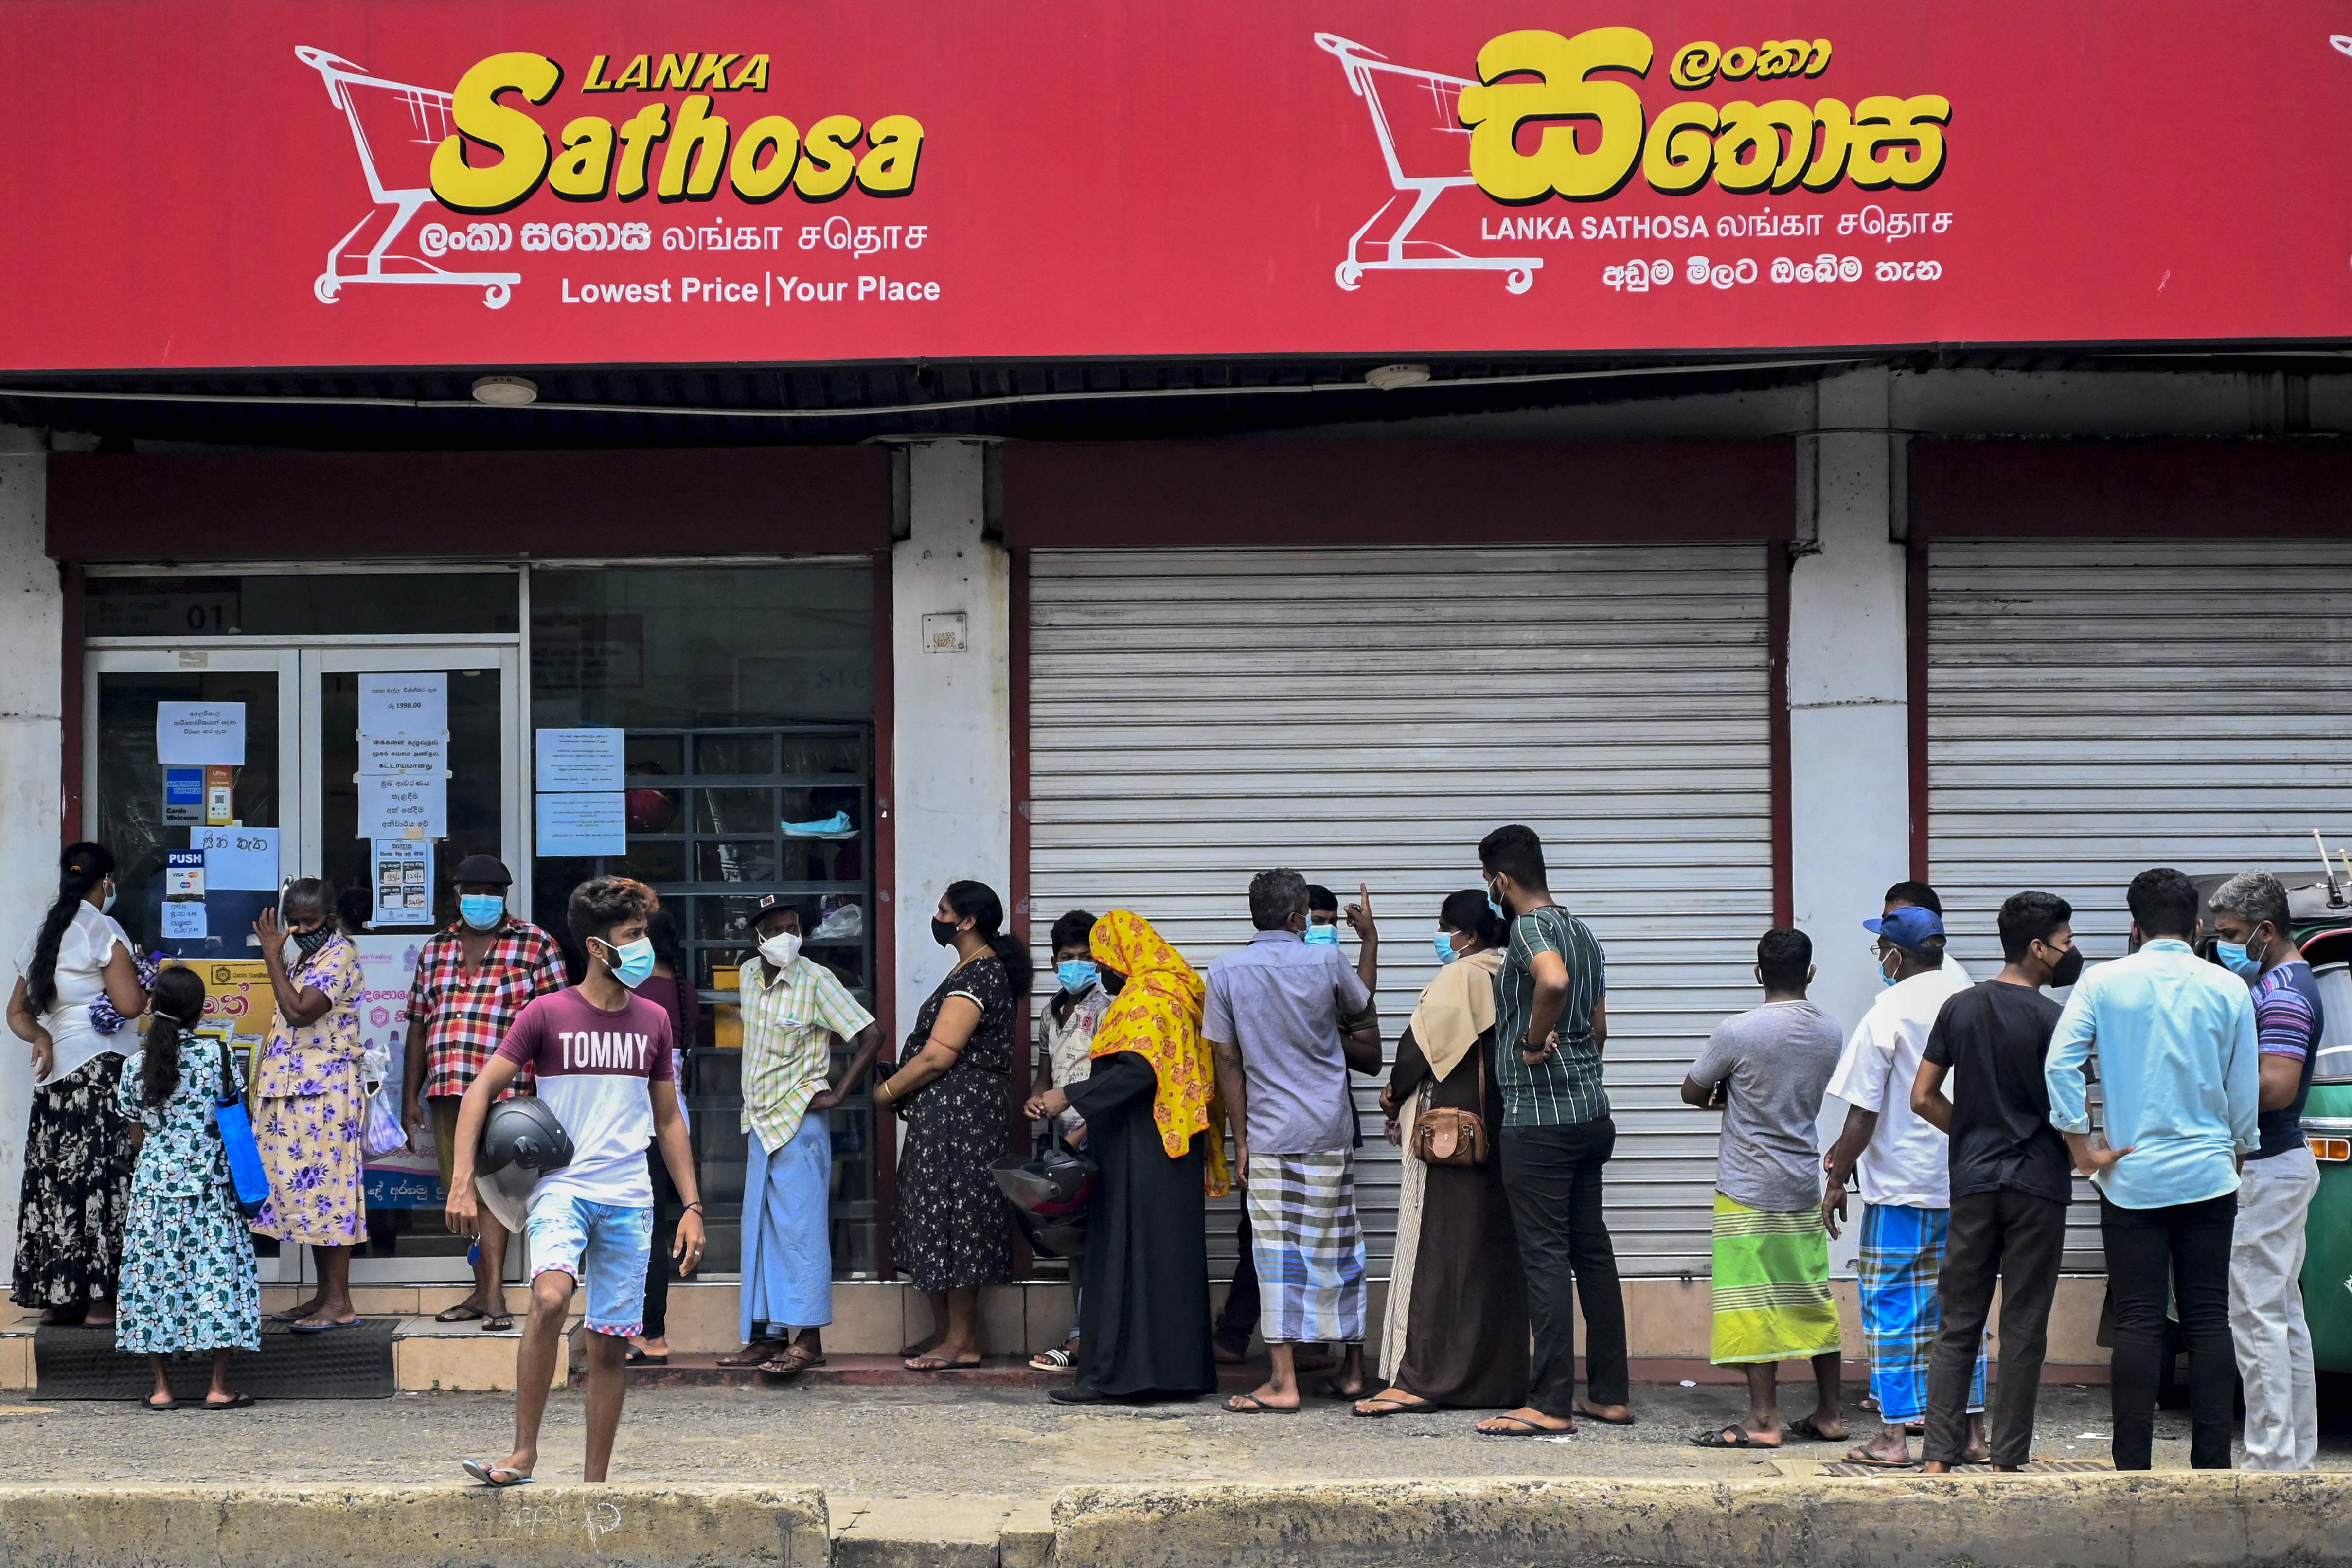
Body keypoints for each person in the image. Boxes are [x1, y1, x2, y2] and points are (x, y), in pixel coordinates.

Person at [446, 875, 704, 1486]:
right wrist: (463, 1179)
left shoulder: (655, 1021)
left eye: (643, 933)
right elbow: (480, 1089)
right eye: (632, 936)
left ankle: (595, 1486)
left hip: (630, 1197)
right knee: (551, 1297)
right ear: (596, 945)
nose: (643, 946)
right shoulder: (547, 1013)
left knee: (611, 1344)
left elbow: (668, 1118)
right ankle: (522, 1453)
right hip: (562, 1188)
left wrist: (692, 1203)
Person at [2047, 866, 2258, 1472]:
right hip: (2209, 1174)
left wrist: (2081, 1146)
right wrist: (2236, 1146)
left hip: (2132, 1177)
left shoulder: (2102, 982)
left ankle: (2131, 1466)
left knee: (2139, 1318)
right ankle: (2212, 1464)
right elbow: (2243, 1085)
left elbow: (2060, 1065)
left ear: (2133, 926)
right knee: (2209, 1316)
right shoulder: (2227, 987)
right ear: (2196, 926)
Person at [1908, 891, 2082, 1473]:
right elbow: (2070, 1109)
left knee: (1958, 1321)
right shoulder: (2057, 1020)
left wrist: (1973, 1131)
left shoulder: (1960, 1007)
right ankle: (2009, 1458)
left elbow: (1922, 1097)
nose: (2071, 951)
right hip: (2039, 1184)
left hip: (1975, 1182)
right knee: (2025, 1325)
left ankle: (1937, 1456)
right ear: (2038, 948)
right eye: (2065, 941)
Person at [1023, 910, 1226, 1403]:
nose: (1099, 968)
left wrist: (1067, 1095)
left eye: (1101, 958)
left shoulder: (1147, 999)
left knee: (1125, 1259)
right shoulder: (1175, 991)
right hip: (1169, 1148)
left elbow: (1137, 1072)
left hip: (1143, 1149)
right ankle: (1176, 1372)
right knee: (1165, 1260)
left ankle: (1114, 1375)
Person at [1473, 824, 1627, 1437]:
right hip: (1590, 1114)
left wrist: (1534, 1043)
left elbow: (1554, 983)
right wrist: (1576, 1063)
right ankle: (1610, 1393)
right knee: (1592, 1251)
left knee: (1544, 1257)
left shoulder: (1531, 928)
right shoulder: (1583, 931)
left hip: (1539, 1122)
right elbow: (1599, 1024)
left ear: (1502, 880)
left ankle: (1551, 1402)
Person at [1206, 867, 1379, 1411]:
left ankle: (1283, 1381)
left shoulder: (1226, 969)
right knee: (1337, 1244)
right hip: (1328, 1124)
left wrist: (1242, 1140)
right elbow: (1361, 1004)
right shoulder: (1326, 959)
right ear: (1295, 916)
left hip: (1271, 1129)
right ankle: (1353, 1370)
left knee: (1275, 1251)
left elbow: (1227, 1058)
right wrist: (1370, 940)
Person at [1354, 889, 1527, 1418]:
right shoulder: (1515, 970)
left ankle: (1421, 1376)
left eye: (1445, 927)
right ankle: (1493, 1378)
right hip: (1503, 1131)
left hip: (1451, 1136)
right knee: (1489, 1254)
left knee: (1436, 1251)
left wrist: (1392, 1094)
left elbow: (1418, 1049)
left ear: (1469, 934)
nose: (1442, 938)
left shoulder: (1463, 975)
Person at [1820, 900, 1979, 1467]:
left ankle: (1893, 1439)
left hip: (1901, 1188)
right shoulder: (1970, 999)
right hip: (1965, 1183)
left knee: (1890, 1309)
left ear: (1896, 953)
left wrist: (1838, 1179)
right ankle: (1973, 1433)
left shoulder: (1886, 1011)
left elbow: (1863, 1111)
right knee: (1962, 1309)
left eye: (1879, 947)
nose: (1878, 958)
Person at [1683, 927, 1847, 1450]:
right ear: (1811, 973)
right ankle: (1830, 1413)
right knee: (1811, 1294)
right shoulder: (1830, 1030)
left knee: (1751, 1302)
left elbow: (1692, 1090)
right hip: (1802, 1179)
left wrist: (1729, 1096)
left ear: (1758, 973)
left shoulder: (1738, 1031)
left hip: (1747, 1183)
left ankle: (1763, 1420)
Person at [401, 854, 567, 1332]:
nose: (481, 899)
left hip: (510, 1091)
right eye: (471, 890)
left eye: (490, 891)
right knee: (464, 1192)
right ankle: (482, 1290)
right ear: (457, 894)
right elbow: (417, 1026)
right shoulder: (435, 949)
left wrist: (551, 1094)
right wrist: (410, 1094)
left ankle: (493, 1295)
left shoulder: (536, 945)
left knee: (496, 1191)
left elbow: (555, 1022)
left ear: (505, 896)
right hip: (449, 1089)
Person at [721, 894, 882, 1377]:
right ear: (758, 936)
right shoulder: (749, 973)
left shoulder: (816, 979)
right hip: (760, 1120)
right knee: (761, 1230)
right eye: (776, 928)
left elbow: (869, 1034)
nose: (787, 936)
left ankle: (808, 1339)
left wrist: (837, 1093)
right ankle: (766, 1335)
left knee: (800, 1231)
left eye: (795, 926)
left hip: (799, 1119)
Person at [873, 881, 1024, 1371]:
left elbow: (940, 1053)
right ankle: (944, 1332)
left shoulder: (979, 974)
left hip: (962, 1117)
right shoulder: (969, 969)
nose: (936, 917)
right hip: (946, 1116)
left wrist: (889, 1089)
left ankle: (962, 1339)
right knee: (933, 1215)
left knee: (957, 1220)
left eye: (943, 910)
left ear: (966, 921)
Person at [2209, 870, 2325, 1473]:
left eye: (2231, 934)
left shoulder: (2281, 991)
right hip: (2281, 1166)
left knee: (2256, 1315)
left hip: (2268, 1166)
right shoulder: (2285, 981)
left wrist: (2204, 1085)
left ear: (2267, 930)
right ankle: (2293, 1456)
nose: (2225, 945)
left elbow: (2276, 1087)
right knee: (2281, 1316)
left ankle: (2270, 1460)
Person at [7, 842, 145, 1326]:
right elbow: (128, 1005)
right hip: (102, 1070)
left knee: (57, 1183)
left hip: (59, 1079)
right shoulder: (102, 929)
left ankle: (60, 1297)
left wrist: (43, 1037)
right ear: (105, 880)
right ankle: (103, 1302)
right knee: (103, 1183)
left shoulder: (45, 932)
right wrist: (147, 976)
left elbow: (17, 1012)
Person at [113, 966, 260, 1410]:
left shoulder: (134, 1066)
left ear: (153, 1006)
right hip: (209, 1188)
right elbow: (232, 1116)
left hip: (154, 1190)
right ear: (200, 1011)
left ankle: (161, 1389)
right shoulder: (216, 1057)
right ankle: (218, 1387)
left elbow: (136, 1134)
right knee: (216, 1281)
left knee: (153, 1283)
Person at [248, 879, 368, 1333]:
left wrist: (272, 957)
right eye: (293, 922)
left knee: (330, 1198)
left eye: (310, 922)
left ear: (331, 920)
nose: (300, 929)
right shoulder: (307, 958)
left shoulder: (338, 958)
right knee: (311, 1200)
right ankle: (324, 1297)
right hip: (298, 1095)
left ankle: (340, 1303)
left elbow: (301, 1011)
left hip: (325, 1098)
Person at [1030, 908, 1113, 1374]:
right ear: (1053, 961)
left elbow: (1114, 1082)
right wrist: (1036, 1100)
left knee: (1096, 1244)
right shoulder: (1049, 1013)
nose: (1077, 964)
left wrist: (1085, 1132)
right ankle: (1084, 1334)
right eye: (1068, 956)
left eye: (1086, 956)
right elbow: (1045, 1076)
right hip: (1064, 1147)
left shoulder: (1109, 1010)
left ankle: (1084, 1341)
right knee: (1075, 1246)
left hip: (1097, 1139)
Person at [629, 906, 703, 1366]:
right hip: (674, 1118)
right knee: (655, 1227)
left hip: (640, 1120)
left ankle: (649, 1334)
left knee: (640, 1232)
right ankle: (649, 1332)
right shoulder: (685, 991)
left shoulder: (635, 993)